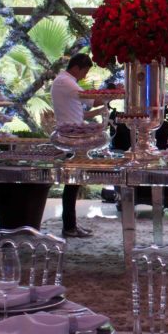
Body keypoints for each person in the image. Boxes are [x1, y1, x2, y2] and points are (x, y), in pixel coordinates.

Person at [51, 53, 104, 238]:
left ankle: (71, 224)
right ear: (76, 68)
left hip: (74, 135)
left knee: (74, 182)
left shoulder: (66, 81)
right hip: (70, 138)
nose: (85, 76)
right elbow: (92, 100)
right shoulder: (66, 82)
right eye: (85, 71)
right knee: (72, 183)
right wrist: (114, 94)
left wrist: (102, 110)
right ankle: (69, 226)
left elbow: (81, 113)